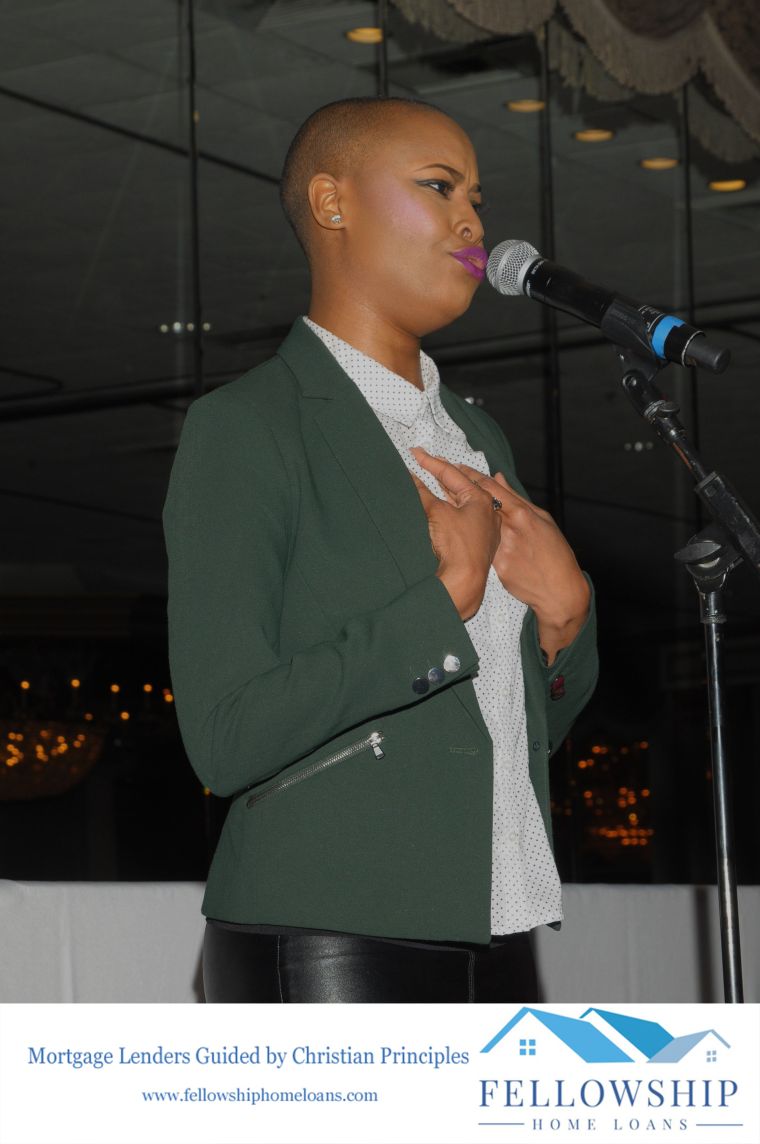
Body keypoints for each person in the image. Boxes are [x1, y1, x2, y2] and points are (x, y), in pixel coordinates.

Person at [163, 96, 598, 1003]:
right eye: (439, 187)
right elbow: (225, 737)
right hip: (331, 921)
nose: (472, 221)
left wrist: (566, 623)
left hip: (498, 917)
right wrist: (445, 602)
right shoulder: (249, 425)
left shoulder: (475, 437)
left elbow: (497, 731)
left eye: (477, 198)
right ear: (333, 203)